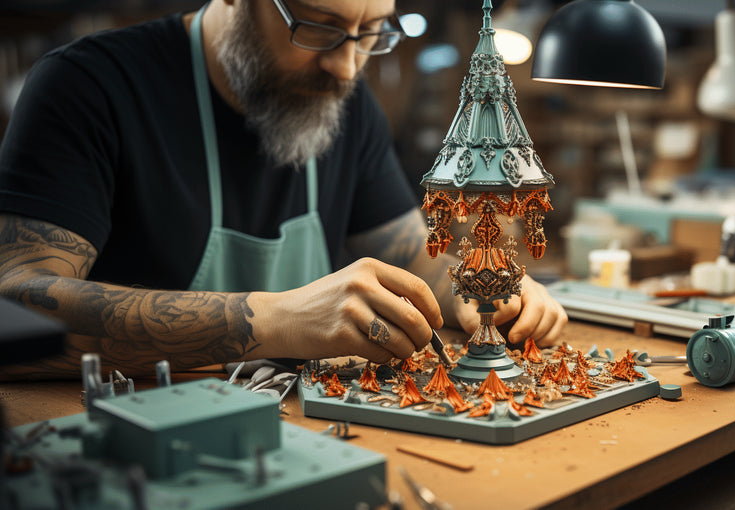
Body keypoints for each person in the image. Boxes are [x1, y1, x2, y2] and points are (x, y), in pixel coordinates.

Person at [0, 0, 566, 379]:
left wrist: (486, 288)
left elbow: (413, 254)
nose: (347, 67)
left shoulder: (346, 104)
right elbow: (14, 300)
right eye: (318, 26)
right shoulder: (89, 88)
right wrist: (276, 322)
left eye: (371, 34)